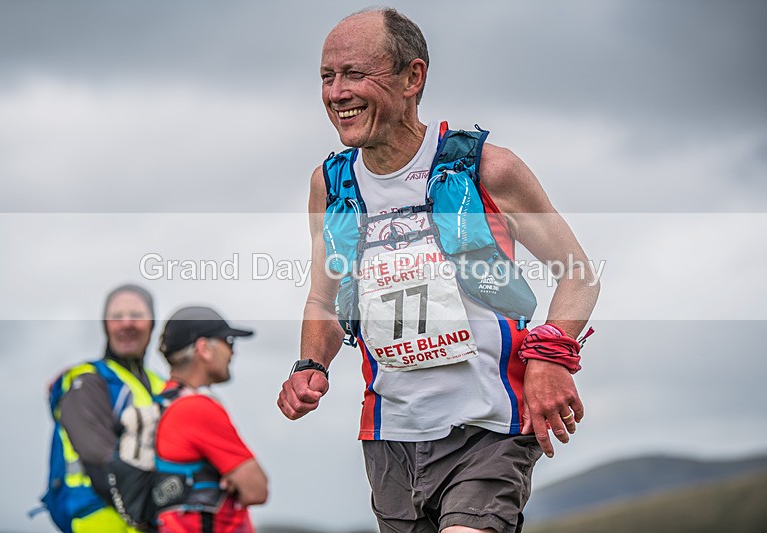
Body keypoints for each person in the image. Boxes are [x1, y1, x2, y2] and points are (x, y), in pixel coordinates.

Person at [277, 8, 600, 533]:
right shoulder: (330, 185)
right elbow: (323, 301)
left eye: (355, 74)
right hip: (389, 437)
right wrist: (309, 366)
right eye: (327, 77)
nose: (337, 93)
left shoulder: (487, 169)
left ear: (413, 77)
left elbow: (579, 273)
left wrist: (551, 354)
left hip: (490, 428)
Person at [51, 283, 166, 531]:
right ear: (105, 324)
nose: (127, 323)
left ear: (152, 323)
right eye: (116, 316)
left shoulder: (161, 385)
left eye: (136, 315)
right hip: (99, 522)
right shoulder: (87, 381)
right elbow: (100, 460)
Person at [154, 306, 268, 533]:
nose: (233, 353)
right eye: (229, 342)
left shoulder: (164, 402)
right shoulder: (197, 409)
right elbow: (257, 489)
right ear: (204, 348)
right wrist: (230, 480)